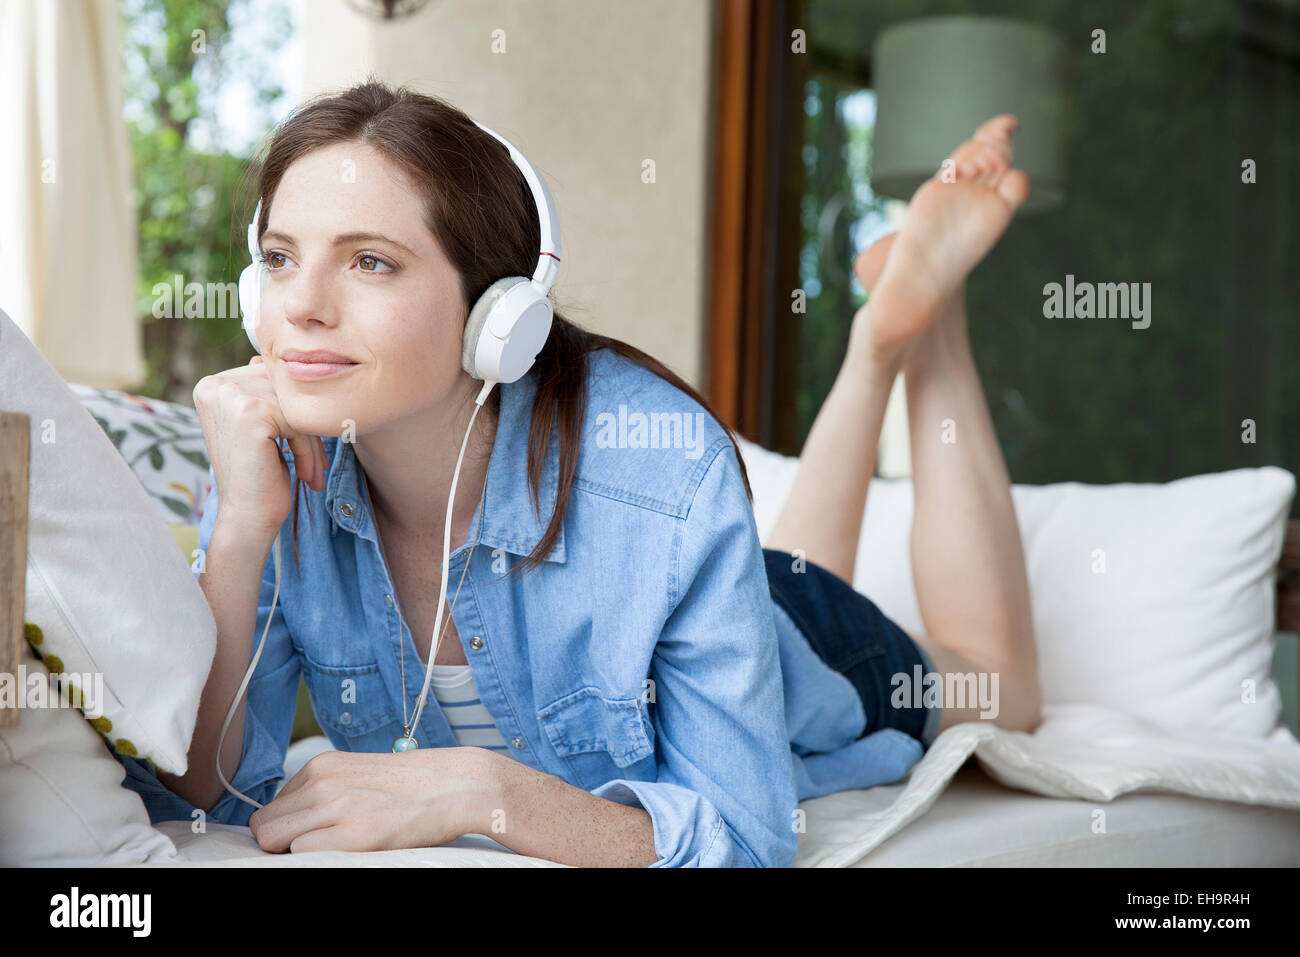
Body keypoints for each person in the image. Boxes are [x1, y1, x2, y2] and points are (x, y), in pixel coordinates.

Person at [114, 81, 1041, 867]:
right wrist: (239, 530)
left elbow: (752, 836)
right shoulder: (264, 461)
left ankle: (922, 329)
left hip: (800, 632)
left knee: (997, 689)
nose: (302, 308)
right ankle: (878, 342)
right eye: (280, 260)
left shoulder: (660, 472)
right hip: (688, 583)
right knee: (775, 556)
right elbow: (203, 793)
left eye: (369, 262)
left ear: (498, 315)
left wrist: (488, 792)